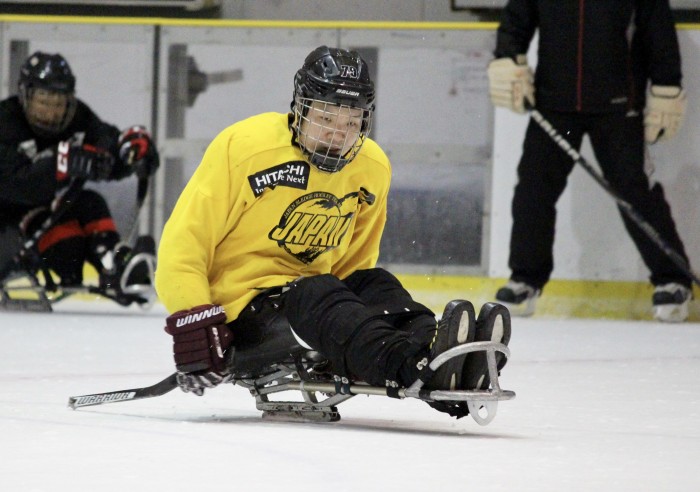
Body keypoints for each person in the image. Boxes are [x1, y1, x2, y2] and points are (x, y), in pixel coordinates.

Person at [156, 45, 512, 418]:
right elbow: (184, 243)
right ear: (301, 108)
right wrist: (194, 322)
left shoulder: (371, 167)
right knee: (317, 291)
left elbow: (355, 265)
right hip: (245, 317)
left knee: (377, 285)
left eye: (351, 122)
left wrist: (355, 330)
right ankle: (415, 369)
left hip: (315, 306)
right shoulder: (245, 148)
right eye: (326, 118)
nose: (337, 134)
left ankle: (442, 354)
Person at [488, 0, 693, 322]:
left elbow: (659, 33)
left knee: (634, 191)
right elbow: (516, 20)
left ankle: (672, 279)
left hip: (619, 107)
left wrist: (667, 86)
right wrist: (507, 59)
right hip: (554, 104)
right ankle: (525, 279)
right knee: (533, 190)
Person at [0, 51, 160, 306]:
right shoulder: (5, 121)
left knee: (88, 202)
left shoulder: (78, 119)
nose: (51, 111)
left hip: (44, 228)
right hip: (7, 223)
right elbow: (11, 185)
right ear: (25, 95)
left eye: (59, 102)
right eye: (43, 100)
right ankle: (15, 271)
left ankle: (117, 265)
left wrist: (131, 152)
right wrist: (59, 164)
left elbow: (107, 151)